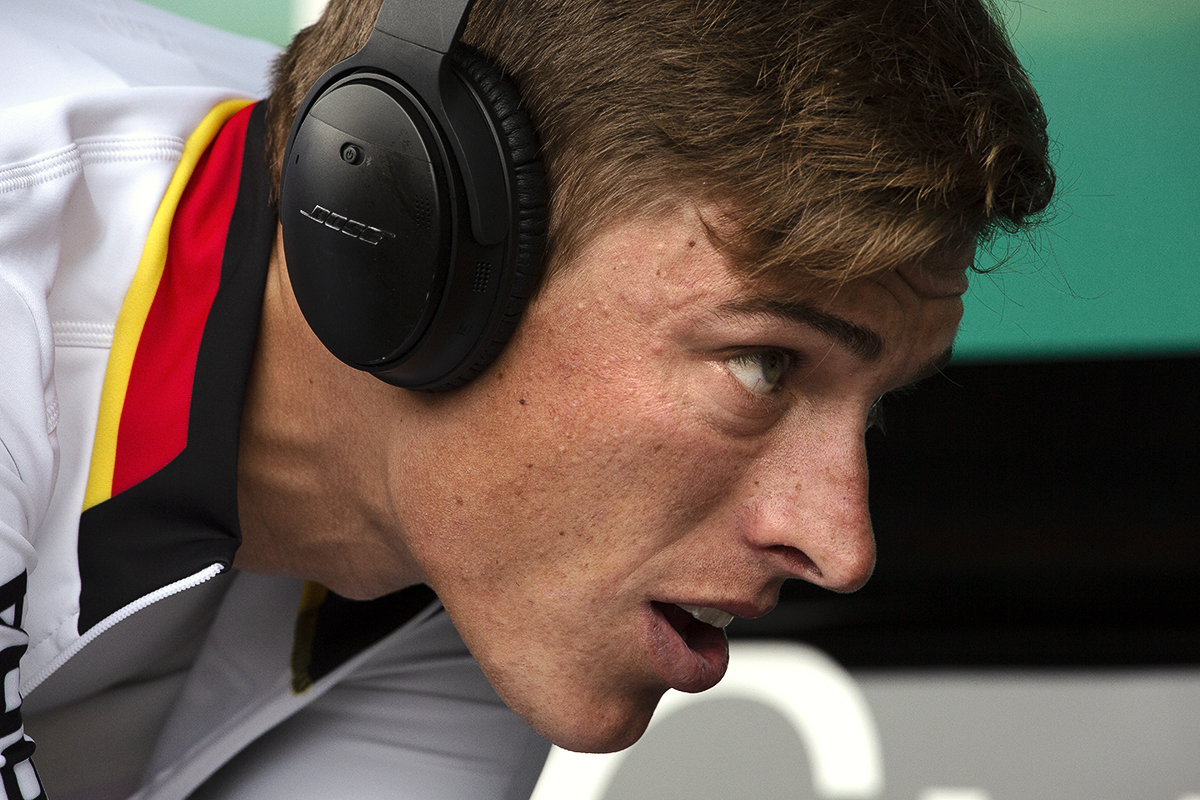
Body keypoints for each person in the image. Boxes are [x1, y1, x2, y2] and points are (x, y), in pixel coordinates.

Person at [0, 0, 1054, 797]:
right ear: (398, 232)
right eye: (764, 364)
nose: (841, 543)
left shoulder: (481, 561)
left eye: (870, 404)